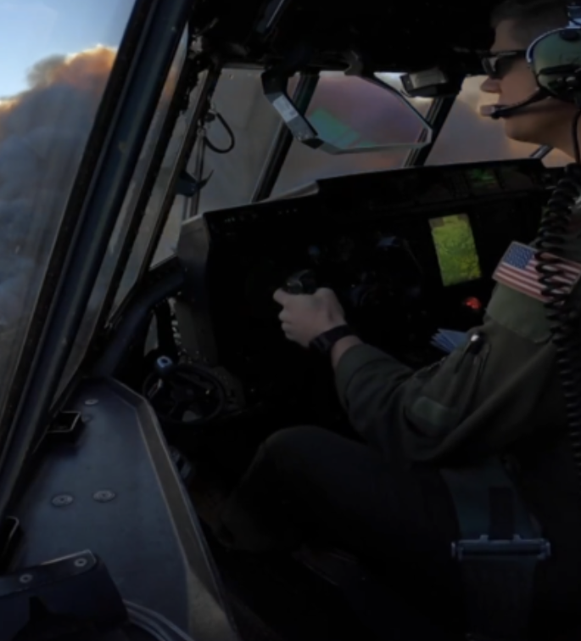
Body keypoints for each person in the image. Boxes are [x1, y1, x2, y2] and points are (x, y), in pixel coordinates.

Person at [215, 1, 581, 638]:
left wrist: (330, 334)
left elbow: (420, 426)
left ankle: (226, 599)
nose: (490, 85)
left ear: (565, 65)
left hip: (559, 552)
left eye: (497, 64)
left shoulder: (568, 250)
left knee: (290, 452)